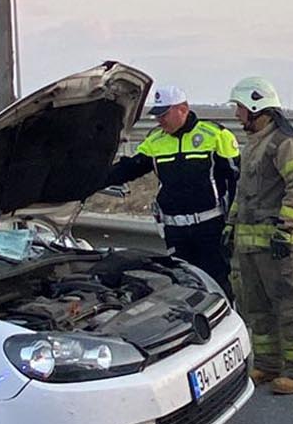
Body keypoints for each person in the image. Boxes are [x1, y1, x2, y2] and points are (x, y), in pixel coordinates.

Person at [95, 85, 240, 293]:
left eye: (164, 114)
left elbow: (236, 180)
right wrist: (93, 181)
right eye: (157, 115)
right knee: (182, 283)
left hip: (210, 228)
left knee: (216, 283)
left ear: (183, 109)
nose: (159, 120)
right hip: (175, 230)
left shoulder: (215, 135)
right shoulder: (156, 139)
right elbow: (129, 168)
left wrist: (233, 224)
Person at [225, 76, 293, 394]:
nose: (236, 115)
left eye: (239, 108)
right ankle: (267, 364)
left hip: (276, 246)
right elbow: (243, 191)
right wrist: (230, 225)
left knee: (288, 307)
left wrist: (284, 229)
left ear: (255, 106)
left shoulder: (284, 144)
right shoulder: (253, 145)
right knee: (256, 307)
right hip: (249, 246)